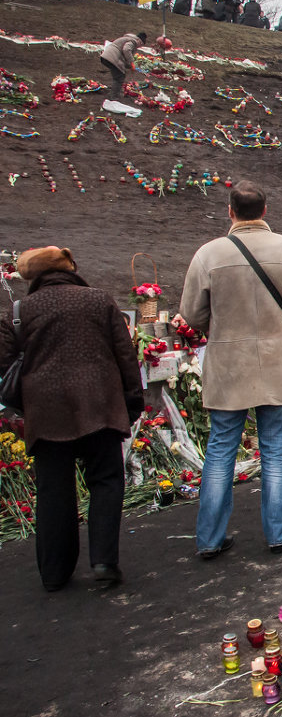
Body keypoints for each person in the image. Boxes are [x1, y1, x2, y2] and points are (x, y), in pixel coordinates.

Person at [176, 181, 282, 559]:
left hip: (229, 365)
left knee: (221, 449)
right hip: (279, 361)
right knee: (275, 449)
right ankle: (278, 533)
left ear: (230, 211)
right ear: (265, 209)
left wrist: (223, 324)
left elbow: (192, 315)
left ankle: (209, 538)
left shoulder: (209, 254)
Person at [0, 247, 143, 591]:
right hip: (100, 405)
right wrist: (132, 401)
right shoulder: (99, 300)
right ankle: (104, 561)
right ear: (70, 268)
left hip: (47, 412)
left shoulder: (19, 312)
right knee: (106, 481)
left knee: (53, 490)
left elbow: (5, 367)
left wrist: (28, 401)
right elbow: (125, 354)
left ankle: (54, 573)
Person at [99, 31, 146, 100]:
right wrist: (132, 63)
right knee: (119, 77)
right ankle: (113, 96)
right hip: (113, 57)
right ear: (140, 41)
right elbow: (126, 49)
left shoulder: (127, 39)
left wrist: (130, 66)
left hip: (107, 56)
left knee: (118, 75)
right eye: (141, 45)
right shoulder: (133, 41)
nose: (139, 47)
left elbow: (124, 56)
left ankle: (113, 91)